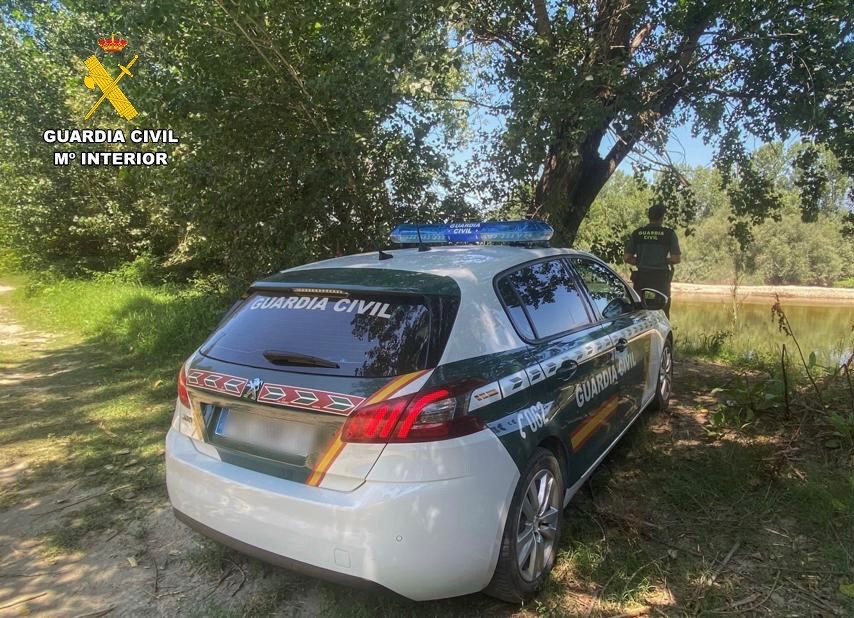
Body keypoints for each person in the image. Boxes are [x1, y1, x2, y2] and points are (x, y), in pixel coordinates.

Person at [624, 205, 681, 316]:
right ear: (662, 217)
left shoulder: (637, 233)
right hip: (661, 279)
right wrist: (662, 260)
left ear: (649, 217)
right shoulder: (669, 234)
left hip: (641, 278)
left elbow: (627, 257)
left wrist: (642, 260)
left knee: (640, 312)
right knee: (662, 312)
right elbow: (676, 258)